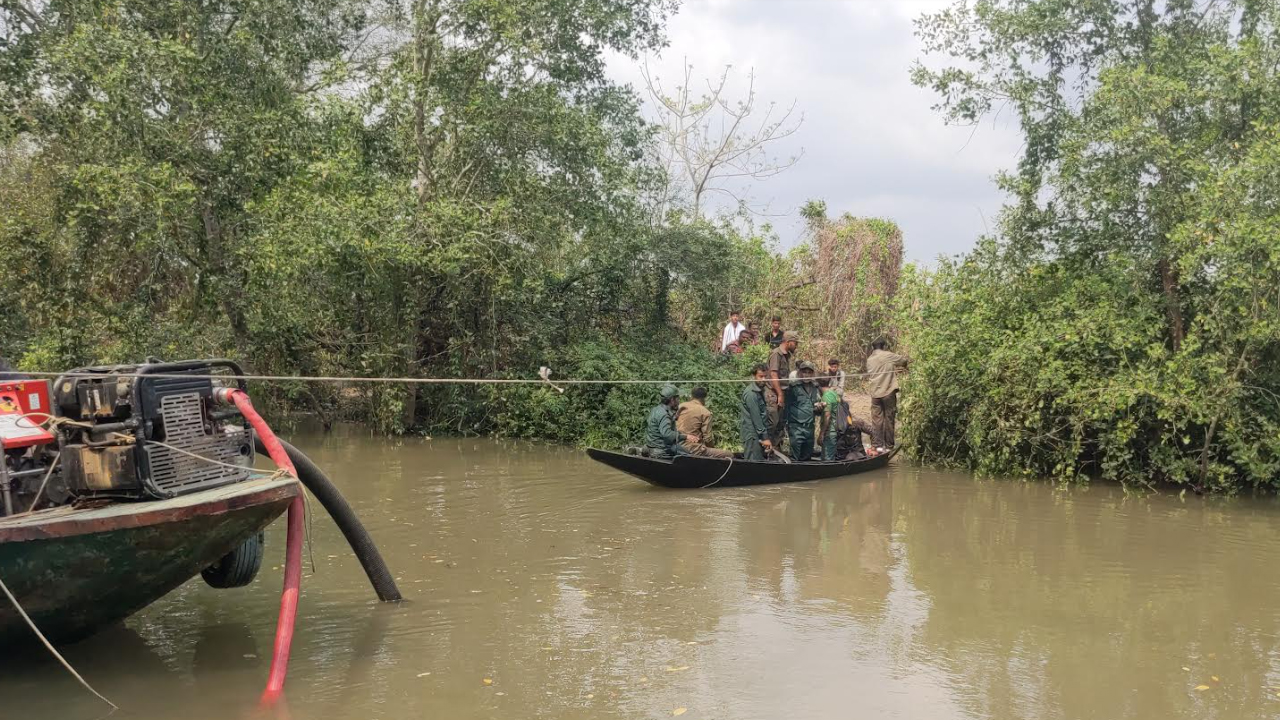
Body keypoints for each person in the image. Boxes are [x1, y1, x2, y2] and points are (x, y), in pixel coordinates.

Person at [866, 338, 909, 451]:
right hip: (888, 392)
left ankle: (877, 445)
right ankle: (889, 446)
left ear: (873, 348)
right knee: (889, 419)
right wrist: (901, 367)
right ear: (884, 346)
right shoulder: (887, 355)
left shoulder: (869, 359)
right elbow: (903, 361)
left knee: (876, 421)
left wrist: (893, 369)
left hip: (875, 394)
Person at [675, 387, 732, 458]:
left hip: (676, 445)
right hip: (692, 449)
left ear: (692, 396)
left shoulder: (680, 406)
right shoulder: (705, 412)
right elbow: (708, 438)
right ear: (704, 398)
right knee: (729, 454)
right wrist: (712, 449)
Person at [645, 385, 699, 459]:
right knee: (691, 458)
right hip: (661, 450)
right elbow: (667, 435)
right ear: (672, 400)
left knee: (685, 452)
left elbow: (664, 422)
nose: (679, 401)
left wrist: (677, 413)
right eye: (677, 398)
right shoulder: (664, 415)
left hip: (652, 446)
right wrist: (686, 437)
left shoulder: (656, 409)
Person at [785, 361, 823, 461]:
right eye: (804, 372)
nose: (807, 375)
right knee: (795, 457)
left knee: (807, 456)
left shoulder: (815, 387)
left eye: (809, 372)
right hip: (796, 427)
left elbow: (814, 408)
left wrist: (819, 408)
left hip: (810, 427)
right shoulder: (793, 387)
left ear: (812, 374)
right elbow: (786, 407)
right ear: (800, 373)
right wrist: (786, 425)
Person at [766, 330, 798, 448]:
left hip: (783, 392)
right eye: (795, 343)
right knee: (773, 421)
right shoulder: (776, 354)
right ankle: (766, 447)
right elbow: (774, 375)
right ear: (789, 342)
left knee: (781, 422)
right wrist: (780, 394)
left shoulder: (786, 355)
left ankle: (776, 448)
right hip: (773, 393)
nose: (796, 346)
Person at [740, 364, 773, 461]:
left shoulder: (760, 390)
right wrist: (765, 437)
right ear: (754, 376)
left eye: (765, 376)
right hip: (753, 435)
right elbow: (756, 418)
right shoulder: (751, 393)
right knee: (753, 462)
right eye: (760, 376)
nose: (763, 379)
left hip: (758, 434)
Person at [817, 377, 842, 460]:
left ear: (818, 386)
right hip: (837, 428)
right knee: (830, 456)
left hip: (830, 431)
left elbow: (827, 416)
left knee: (827, 459)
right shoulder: (833, 393)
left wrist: (822, 433)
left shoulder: (826, 396)